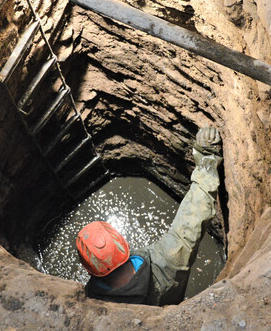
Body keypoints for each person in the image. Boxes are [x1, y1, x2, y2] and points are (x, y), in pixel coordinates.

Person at [76, 126, 223, 306]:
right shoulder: (168, 261)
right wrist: (206, 159)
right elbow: (192, 217)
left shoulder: (95, 303)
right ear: (124, 244)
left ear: (90, 271)